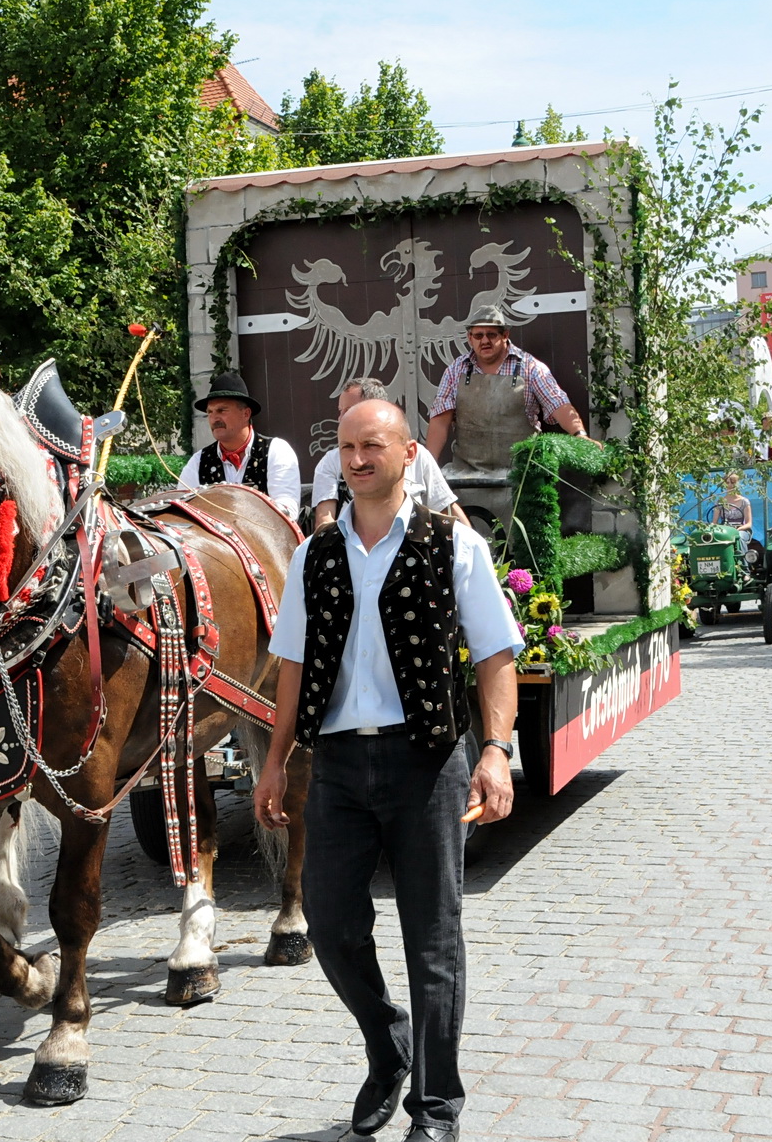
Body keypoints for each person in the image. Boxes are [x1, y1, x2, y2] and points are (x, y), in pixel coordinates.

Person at [254, 398, 523, 1142]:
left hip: (426, 759)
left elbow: (495, 653)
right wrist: (274, 762)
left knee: (431, 939)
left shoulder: (452, 544)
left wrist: (495, 751)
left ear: (408, 455)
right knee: (332, 923)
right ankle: (386, 1039)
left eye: (371, 445)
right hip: (335, 762)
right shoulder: (315, 553)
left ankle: (436, 1109)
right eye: (345, 447)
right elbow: (292, 664)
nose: (356, 459)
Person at [424, 305, 597, 467]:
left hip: (522, 473)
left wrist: (580, 435)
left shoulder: (530, 367)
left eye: (491, 335)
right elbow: (440, 420)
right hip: (467, 474)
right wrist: (428, 465)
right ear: (470, 338)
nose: (484, 341)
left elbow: (557, 402)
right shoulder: (455, 370)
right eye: (478, 335)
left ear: (505, 335)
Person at [310, 378, 467, 531]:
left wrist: (473, 545)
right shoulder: (330, 462)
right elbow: (324, 521)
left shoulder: (419, 456)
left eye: (349, 410)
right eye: (341, 411)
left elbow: (447, 508)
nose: (357, 462)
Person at [178, 371, 302, 519]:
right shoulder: (198, 462)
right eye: (210, 412)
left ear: (246, 414)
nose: (214, 418)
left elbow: (288, 513)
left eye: (222, 410)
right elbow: (181, 513)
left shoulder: (276, 451)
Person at [710, 473, 752, 539]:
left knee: (738, 537)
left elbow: (749, 524)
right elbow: (714, 523)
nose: (729, 485)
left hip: (740, 530)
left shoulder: (744, 501)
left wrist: (737, 530)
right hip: (724, 531)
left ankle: (740, 549)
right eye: (727, 483)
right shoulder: (720, 502)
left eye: (732, 482)